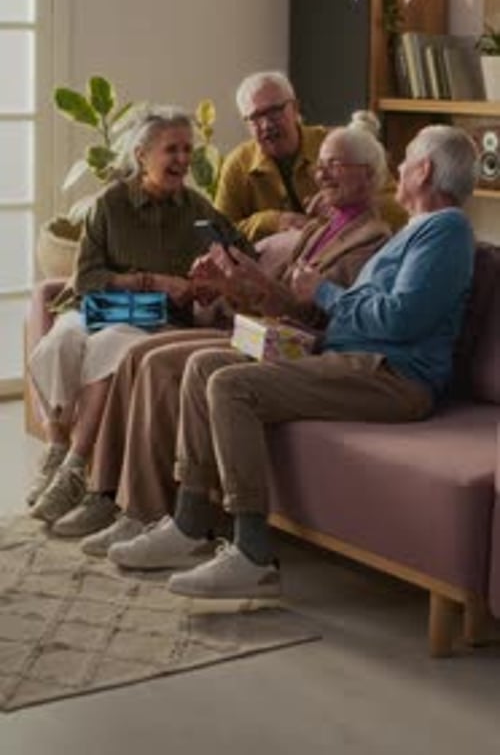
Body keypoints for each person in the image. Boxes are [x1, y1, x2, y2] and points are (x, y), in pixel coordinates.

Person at [106, 124, 479, 598]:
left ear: (424, 170)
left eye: (405, 159)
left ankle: (252, 554)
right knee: (203, 367)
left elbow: (401, 319)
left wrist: (321, 292)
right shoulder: (418, 232)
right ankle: (189, 523)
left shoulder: (446, 231)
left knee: (230, 386)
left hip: (391, 376)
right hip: (351, 359)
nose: (399, 167)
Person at [48, 111, 392, 550]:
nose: (320, 173)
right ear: (141, 155)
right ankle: (109, 496)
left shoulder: (373, 239)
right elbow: (274, 294)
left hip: (288, 343)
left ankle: (145, 511)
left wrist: (231, 286)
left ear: (368, 175)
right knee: (137, 356)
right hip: (251, 327)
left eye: (333, 164)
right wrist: (223, 284)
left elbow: (315, 315)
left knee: (151, 358)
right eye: (320, 163)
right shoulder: (322, 230)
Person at [28, 105, 248, 525]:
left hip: (153, 321)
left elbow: (240, 255)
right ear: (143, 154)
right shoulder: (109, 204)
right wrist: (153, 280)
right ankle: (57, 454)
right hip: (98, 306)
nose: (183, 160)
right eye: (172, 150)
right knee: (61, 340)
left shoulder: (198, 209)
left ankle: (74, 469)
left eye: (188, 149)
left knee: (111, 348)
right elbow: (87, 276)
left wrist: (209, 282)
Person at [214, 71, 328, 241]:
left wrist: (343, 206)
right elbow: (219, 232)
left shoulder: (332, 146)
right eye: (255, 117)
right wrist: (273, 222)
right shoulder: (238, 164)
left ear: (295, 108)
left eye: (275, 111)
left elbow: (381, 204)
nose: (267, 125)